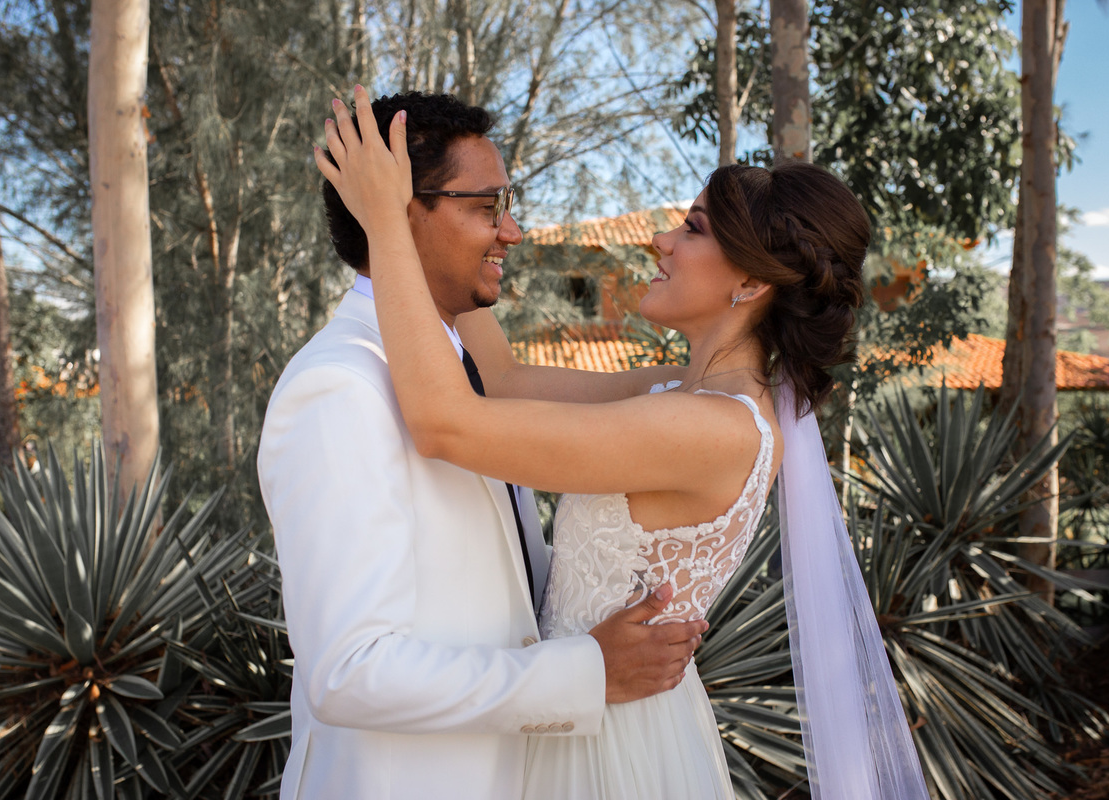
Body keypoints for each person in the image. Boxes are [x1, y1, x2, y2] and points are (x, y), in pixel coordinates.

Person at [319, 85, 931, 800]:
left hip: (606, 750)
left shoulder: (707, 429)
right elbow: (506, 378)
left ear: (749, 284)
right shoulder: (691, 397)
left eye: (693, 229)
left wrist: (388, 224)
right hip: (587, 716)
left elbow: (444, 421)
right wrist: (434, 242)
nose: (662, 241)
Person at [257, 90, 708, 800]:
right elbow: (349, 671)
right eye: (486, 208)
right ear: (403, 215)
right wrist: (587, 671)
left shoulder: (459, 371)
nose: (514, 231)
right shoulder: (338, 390)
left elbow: (493, 574)